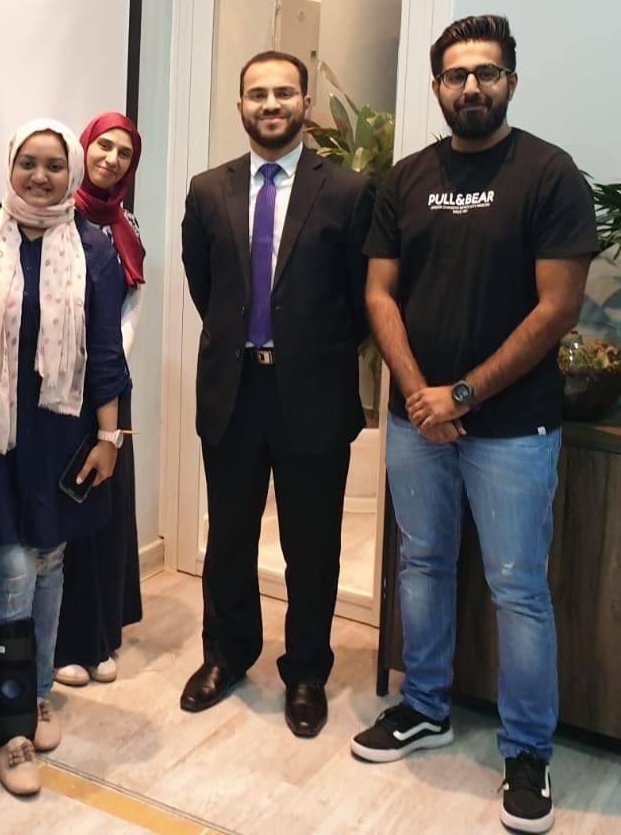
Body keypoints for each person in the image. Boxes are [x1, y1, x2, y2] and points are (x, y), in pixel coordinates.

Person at [349, 16, 595, 835]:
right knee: (420, 563)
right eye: (456, 75)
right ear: (437, 88)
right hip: (416, 421)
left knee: (517, 587)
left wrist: (462, 395)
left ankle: (527, 751)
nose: (471, 87)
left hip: (513, 428)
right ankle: (424, 707)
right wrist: (419, 393)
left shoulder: (549, 175)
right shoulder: (407, 179)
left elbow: (558, 308)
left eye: (487, 73)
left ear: (511, 82)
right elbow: (379, 293)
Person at [178, 51, 375, 740]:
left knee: (311, 545)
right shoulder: (209, 190)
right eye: (257, 93)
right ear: (240, 105)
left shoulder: (347, 191)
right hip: (233, 390)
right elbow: (206, 286)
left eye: (284, 92)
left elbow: (362, 300)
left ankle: (306, 673)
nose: (270, 104)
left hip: (313, 394)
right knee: (229, 538)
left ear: (304, 103)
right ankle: (226, 655)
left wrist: (309, 349)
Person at [0, 119, 130, 796]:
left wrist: (110, 439)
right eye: (28, 162)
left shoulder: (93, 246)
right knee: (12, 569)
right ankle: (11, 728)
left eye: (55, 165)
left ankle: (37, 691)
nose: (40, 175)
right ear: (10, 164)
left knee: (51, 562)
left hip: (64, 431)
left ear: (72, 172)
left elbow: (106, 351)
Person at [53, 112, 146, 688]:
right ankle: (67, 641)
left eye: (124, 153)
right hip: (64, 386)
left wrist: (111, 360)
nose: (111, 159)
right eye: (103, 146)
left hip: (111, 384)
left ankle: (102, 635)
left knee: (109, 510)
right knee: (70, 511)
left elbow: (131, 304)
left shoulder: (126, 222)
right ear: (84, 148)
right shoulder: (60, 215)